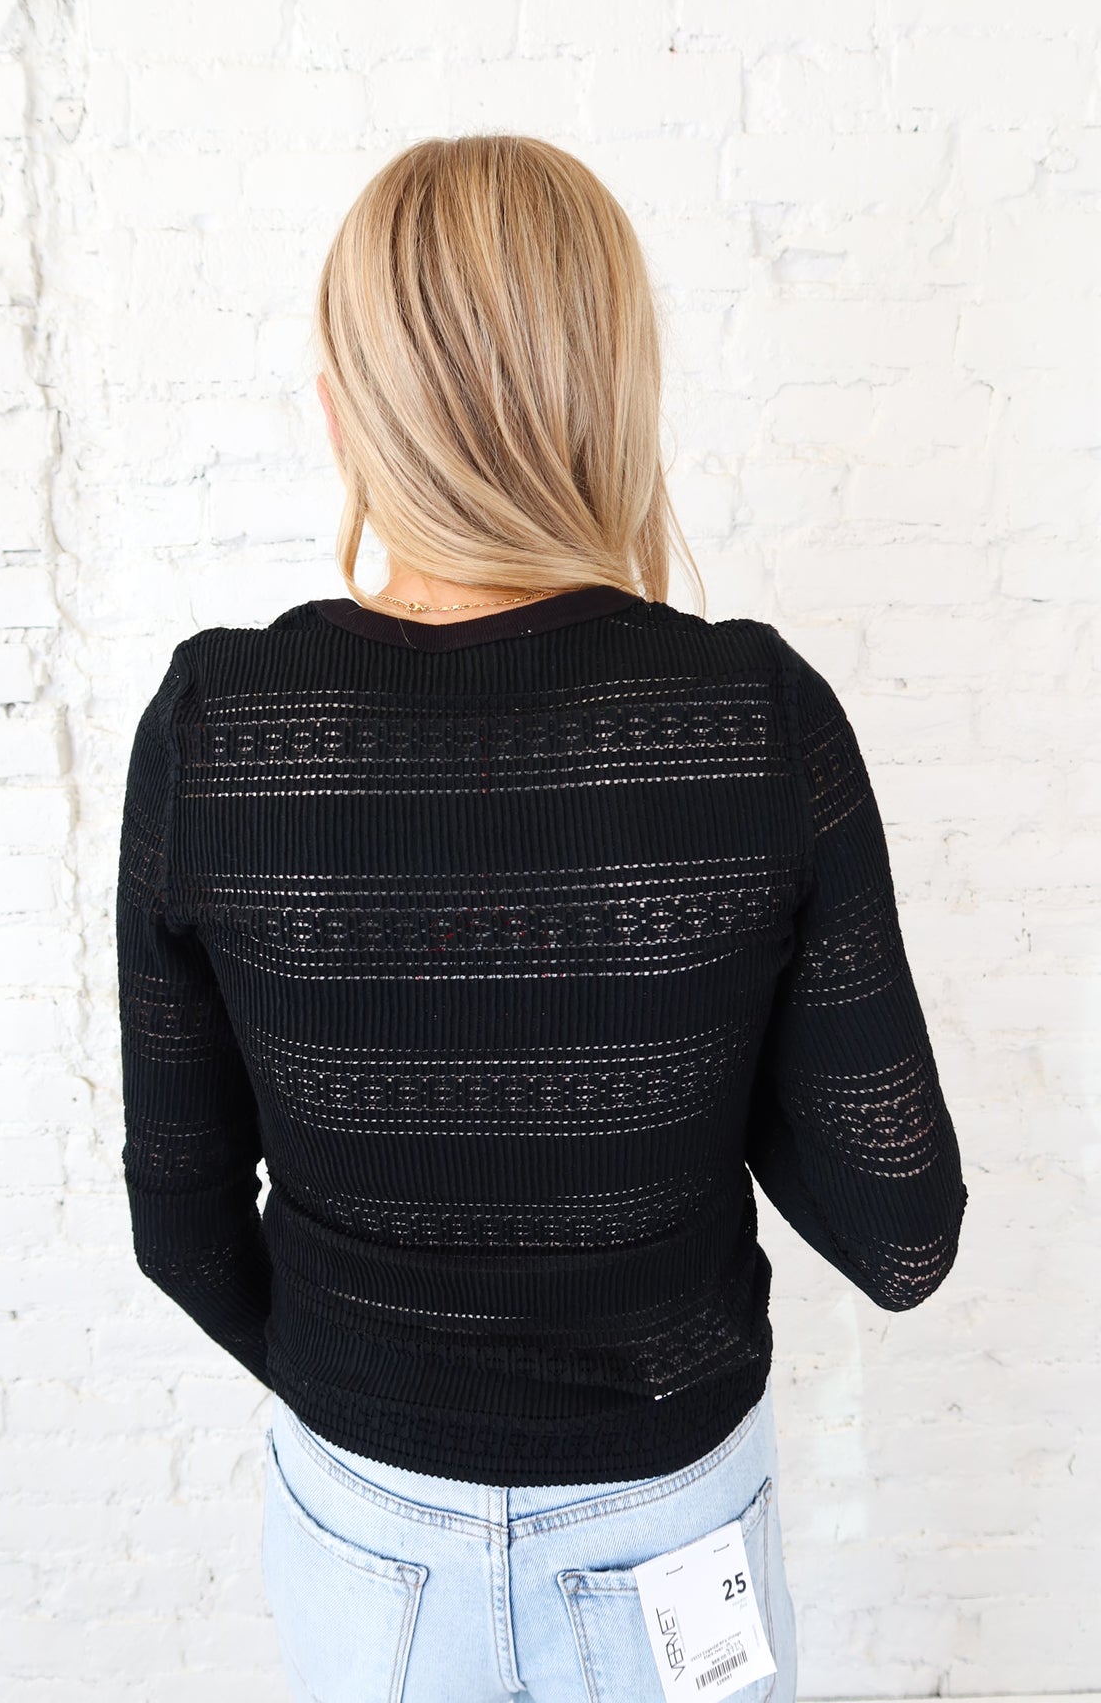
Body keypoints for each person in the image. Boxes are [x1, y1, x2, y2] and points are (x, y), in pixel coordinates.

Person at [115, 134, 968, 1703]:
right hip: (670, 1534)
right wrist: (703, 1037)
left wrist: (382, 1389)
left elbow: (179, 1228)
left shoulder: (219, 729)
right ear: (619, 389)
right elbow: (903, 1233)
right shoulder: (752, 725)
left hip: (361, 1527)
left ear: (346, 408)